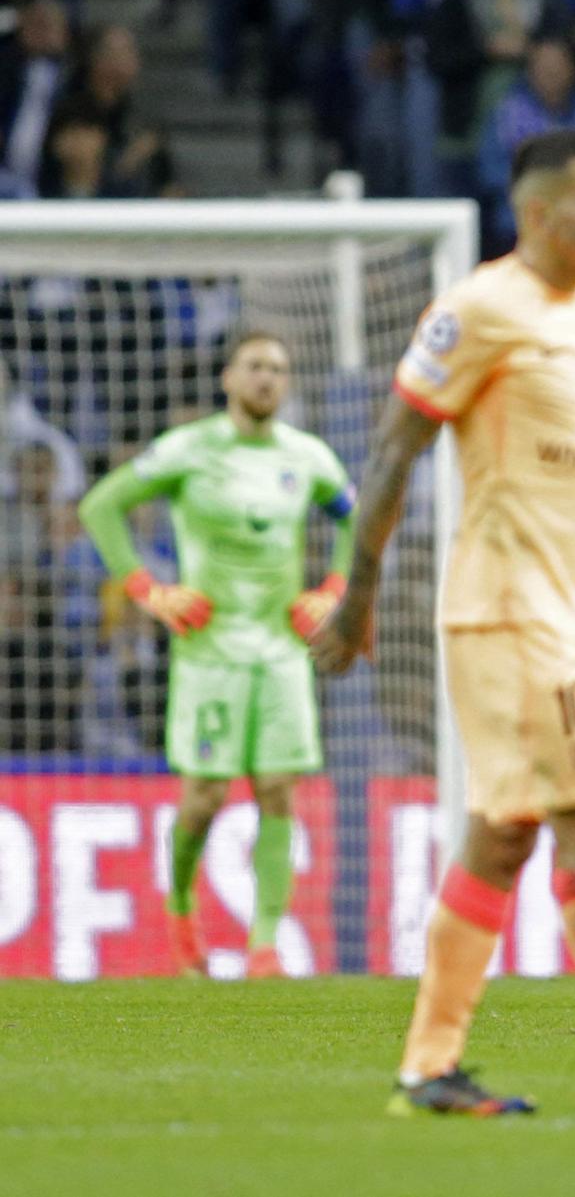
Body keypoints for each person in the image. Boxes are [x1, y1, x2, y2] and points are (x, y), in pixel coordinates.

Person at [312, 130, 575, 1117]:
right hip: (507, 613)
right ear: (538, 212)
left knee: (502, 837)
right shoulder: (478, 308)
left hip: (571, 617)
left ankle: (429, 1064)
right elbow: (391, 451)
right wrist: (358, 595)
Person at [76, 333, 352, 981]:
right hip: (210, 652)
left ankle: (263, 945)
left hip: (281, 650)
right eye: (256, 366)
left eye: (279, 369)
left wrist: (333, 591)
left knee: (278, 790)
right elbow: (101, 505)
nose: (267, 379)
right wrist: (149, 590)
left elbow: (354, 519)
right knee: (202, 799)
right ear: (229, 377)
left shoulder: (306, 456)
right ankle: (179, 905)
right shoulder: (190, 448)